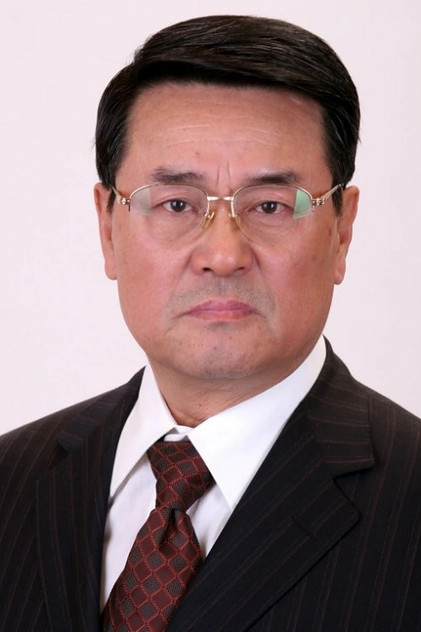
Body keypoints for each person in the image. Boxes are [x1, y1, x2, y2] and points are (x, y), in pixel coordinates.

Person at [0, 14, 420, 632]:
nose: (223, 255)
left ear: (341, 231)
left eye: (271, 205)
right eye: (176, 203)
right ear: (107, 227)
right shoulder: (12, 478)